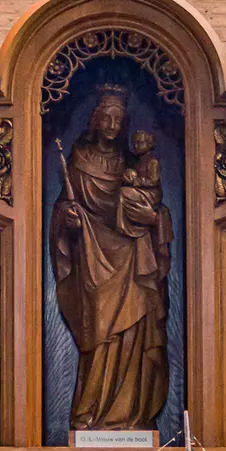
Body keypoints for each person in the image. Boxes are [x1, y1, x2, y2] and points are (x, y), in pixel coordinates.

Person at [50, 85, 171, 430]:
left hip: (133, 258)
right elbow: (63, 208)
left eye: (119, 119)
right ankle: (90, 413)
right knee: (100, 334)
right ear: (96, 119)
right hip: (92, 257)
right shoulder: (78, 159)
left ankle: (130, 416)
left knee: (134, 333)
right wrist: (68, 220)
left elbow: (155, 209)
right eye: (107, 117)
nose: (113, 124)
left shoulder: (135, 165)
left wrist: (150, 217)